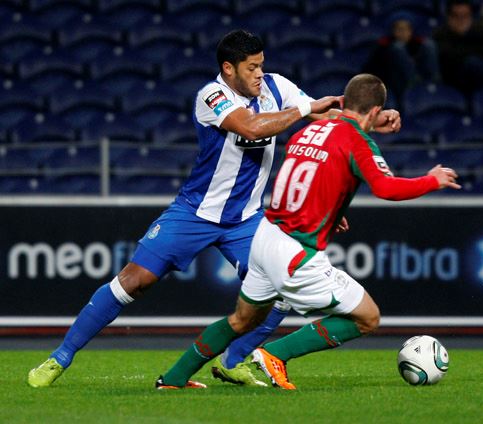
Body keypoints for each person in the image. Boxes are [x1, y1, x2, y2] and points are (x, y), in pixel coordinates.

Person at [27, 30, 402, 389]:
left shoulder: (277, 86)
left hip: (248, 220)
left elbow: (324, 118)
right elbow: (252, 127)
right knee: (134, 280)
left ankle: (234, 361)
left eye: (261, 65)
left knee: (279, 290)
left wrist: (368, 118)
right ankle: (60, 357)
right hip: (194, 212)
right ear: (229, 69)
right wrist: (306, 108)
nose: (259, 74)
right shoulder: (211, 96)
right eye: (251, 68)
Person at [157, 73, 460, 390]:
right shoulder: (357, 142)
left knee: (242, 320)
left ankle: (174, 378)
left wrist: (333, 211)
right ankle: (274, 354)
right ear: (373, 112)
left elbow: (314, 175)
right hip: (296, 252)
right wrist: (432, 180)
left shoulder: (312, 130)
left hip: (265, 236)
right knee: (367, 317)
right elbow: (386, 188)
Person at [363, 11, 440, 109]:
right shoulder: (383, 46)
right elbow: (371, 70)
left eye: (406, 29)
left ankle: (434, 87)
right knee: (397, 48)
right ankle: (416, 87)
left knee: (430, 45)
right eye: (399, 29)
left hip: (422, 80)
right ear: (393, 30)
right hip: (395, 84)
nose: (403, 32)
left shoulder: (418, 44)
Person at [433, 0, 483, 94]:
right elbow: (452, 56)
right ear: (449, 17)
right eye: (456, 16)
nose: (461, 20)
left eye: (465, 16)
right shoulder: (440, 34)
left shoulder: (478, 30)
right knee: (472, 62)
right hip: (456, 83)